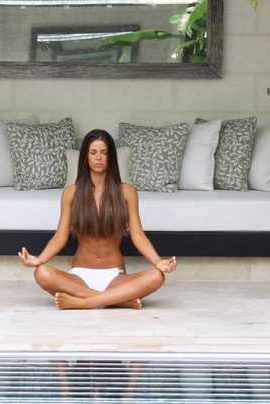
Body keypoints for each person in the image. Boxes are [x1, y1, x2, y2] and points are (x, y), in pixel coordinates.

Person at [18, 128, 177, 309]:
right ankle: (118, 300)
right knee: (42, 273)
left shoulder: (127, 192)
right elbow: (60, 236)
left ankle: (85, 301)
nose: (99, 158)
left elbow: (138, 236)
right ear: (85, 156)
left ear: (111, 157)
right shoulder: (71, 193)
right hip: (79, 276)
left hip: (115, 276)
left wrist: (158, 262)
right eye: (93, 152)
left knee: (156, 276)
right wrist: (39, 259)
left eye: (104, 153)